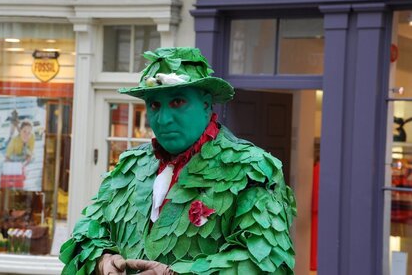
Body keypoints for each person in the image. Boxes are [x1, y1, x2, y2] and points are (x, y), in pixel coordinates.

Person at [60, 47, 296, 274]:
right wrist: (102, 258)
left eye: (177, 102)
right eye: (154, 105)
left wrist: (177, 274)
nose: (164, 119)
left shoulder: (252, 169)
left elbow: (267, 260)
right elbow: (86, 235)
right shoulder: (129, 167)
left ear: (205, 105)